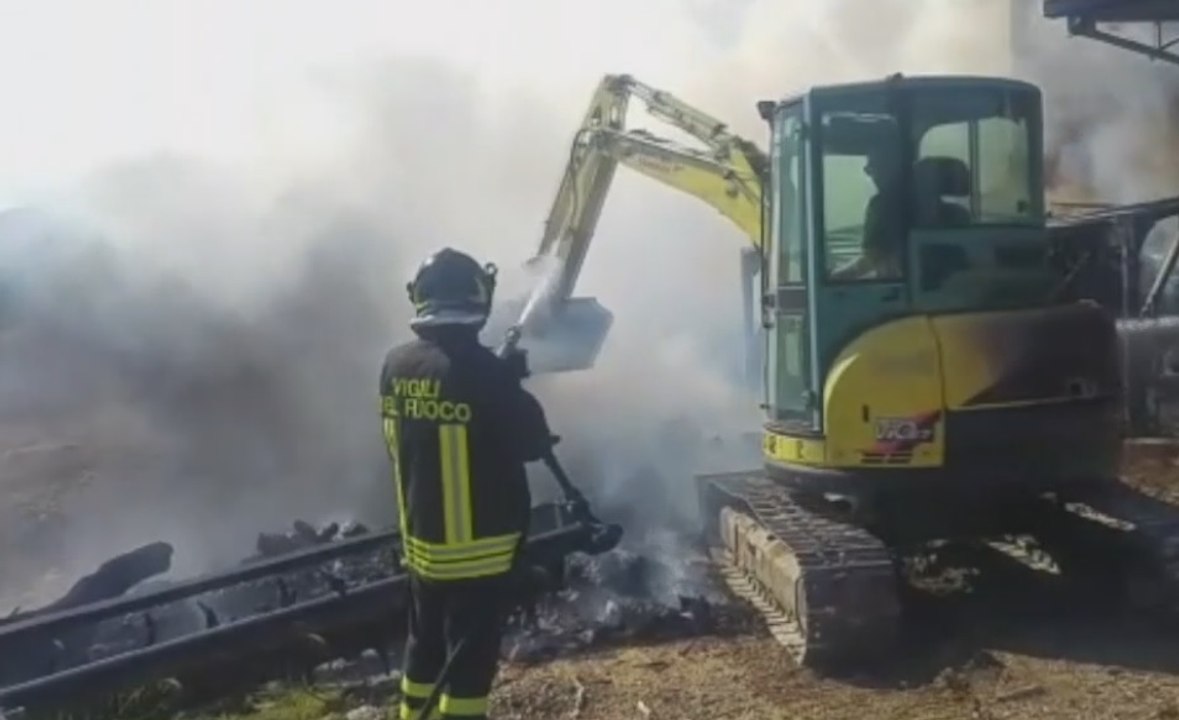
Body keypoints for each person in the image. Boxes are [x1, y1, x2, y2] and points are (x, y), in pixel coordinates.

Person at [380, 247, 554, 720]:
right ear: (478, 300)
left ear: (419, 298)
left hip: (421, 544)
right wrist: (509, 383)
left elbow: (407, 442)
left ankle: (413, 715)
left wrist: (497, 381)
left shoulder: (395, 365)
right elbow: (531, 443)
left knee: (424, 645)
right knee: (469, 663)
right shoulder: (486, 374)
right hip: (480, 551)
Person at [830, 144, 906, 281]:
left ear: (892, 167)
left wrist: (835, 277)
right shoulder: (952, 212)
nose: (870, 174)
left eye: (873, 167)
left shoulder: (882, 205)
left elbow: (871, 258)